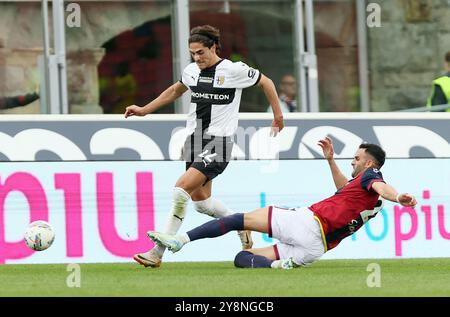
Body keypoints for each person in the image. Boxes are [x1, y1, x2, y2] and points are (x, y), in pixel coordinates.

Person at [125, 25, 284, 268]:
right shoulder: (191, 71)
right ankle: (240, 225)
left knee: (181, 189)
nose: (197, 58)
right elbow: (176, 90)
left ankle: (157, 253)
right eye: (193, 53)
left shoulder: (233, 70)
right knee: (202, 203)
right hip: (194, 141)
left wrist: (277, 116)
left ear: (213, 47)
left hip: (218, 143)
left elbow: (267, 83)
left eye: (201, 52)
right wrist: (145, 110)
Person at [147, 137, 417, 269]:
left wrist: (399, 196)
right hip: (314, 249)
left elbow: (383, 187)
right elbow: (343, 188)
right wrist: (330, 160)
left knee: (236, 220)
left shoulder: (373, 177)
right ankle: (278, 265)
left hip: (308, 224)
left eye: (357, 158)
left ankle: (180, 240)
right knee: (242, 259)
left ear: (370, 163)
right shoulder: (363, 191)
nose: (353, 161)